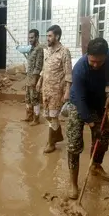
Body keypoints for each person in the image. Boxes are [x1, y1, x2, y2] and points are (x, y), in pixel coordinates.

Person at [66, 37, 109, 199]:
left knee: (104, 134)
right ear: (87, 55)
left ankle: (96, 166)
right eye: (92, 61)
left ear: (106, 56)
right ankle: (73, 183)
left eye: (99, 62)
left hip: (98, 101)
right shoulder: (79, 68)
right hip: (78, 103)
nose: (95, 65)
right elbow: (80, 100)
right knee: (74, 143)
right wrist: (92, 125)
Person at [36, 25, 72, 153]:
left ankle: (51, 143)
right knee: (47, 115)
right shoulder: (47, 51)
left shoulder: (64, 52)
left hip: (57, 90)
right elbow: (45, 68)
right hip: (46, 90)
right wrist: (40, 81)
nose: (48, 39)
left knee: (53, 116)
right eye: (47, 36)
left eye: (50, 36)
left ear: (57, 36)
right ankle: (58, 136)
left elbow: (68, 73)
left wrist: (67, 90)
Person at [16, 29, 44, 125]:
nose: (30, 39)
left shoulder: (39, 49)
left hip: (34, 78)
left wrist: (34, 80)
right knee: (28, 98)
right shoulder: (31, 48)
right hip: (29, 77)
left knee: (35, 99)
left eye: (32, 37)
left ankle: (36, 119)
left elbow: (38, 66)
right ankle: (29, 116)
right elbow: (22, 49)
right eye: (29, 38)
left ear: (37, 37)